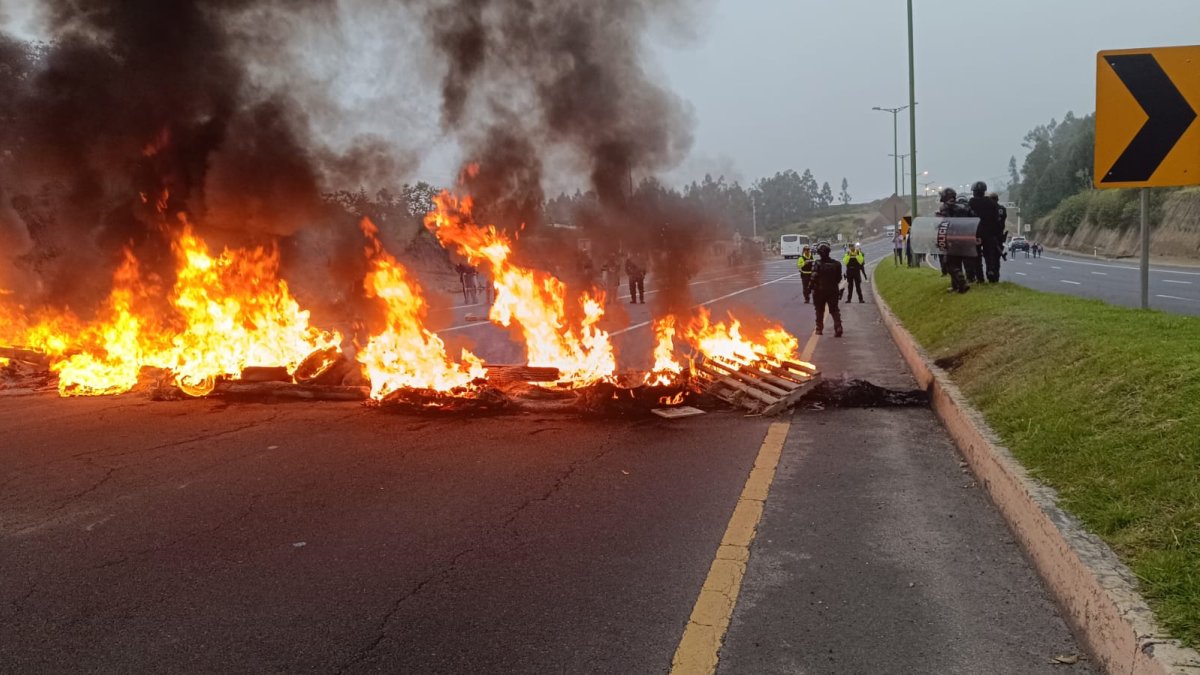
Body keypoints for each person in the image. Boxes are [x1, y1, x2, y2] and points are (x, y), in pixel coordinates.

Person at [937, 187, 971, 293]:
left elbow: (942, 224)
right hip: (962, 239)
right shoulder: (962, 208)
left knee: (950, 264)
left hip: (950, 239)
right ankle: (956, 286)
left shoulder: (944, 208)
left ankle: (962, 282)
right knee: (958, 262)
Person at [967, 181, 1002, 283]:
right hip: (989, 234)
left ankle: (980, 277)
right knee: (989, 255)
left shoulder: (971, 203)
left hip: (975, 234)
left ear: (974, 192)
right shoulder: (992, 203)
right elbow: (997, 219)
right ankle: (990, 272)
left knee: (976, 257)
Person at [811, 243, 843, 337]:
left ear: (819, 253)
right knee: (834, 310)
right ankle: (838, 327)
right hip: (833, 290)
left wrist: (809, 288)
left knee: (819, 310)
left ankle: (819, 329)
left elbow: (813, 278)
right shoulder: (837, 264)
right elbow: (839, 278)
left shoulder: (817, 263)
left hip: (819, 291)